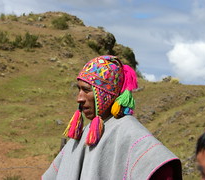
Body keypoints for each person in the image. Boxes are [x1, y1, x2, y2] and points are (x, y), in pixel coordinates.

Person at [42, 55, 182, 180]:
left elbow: (158, 166)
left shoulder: (130, 133)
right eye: (78, 89)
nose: (79, 98)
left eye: (86, 90)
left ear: (105, 94)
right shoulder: (82, 135)